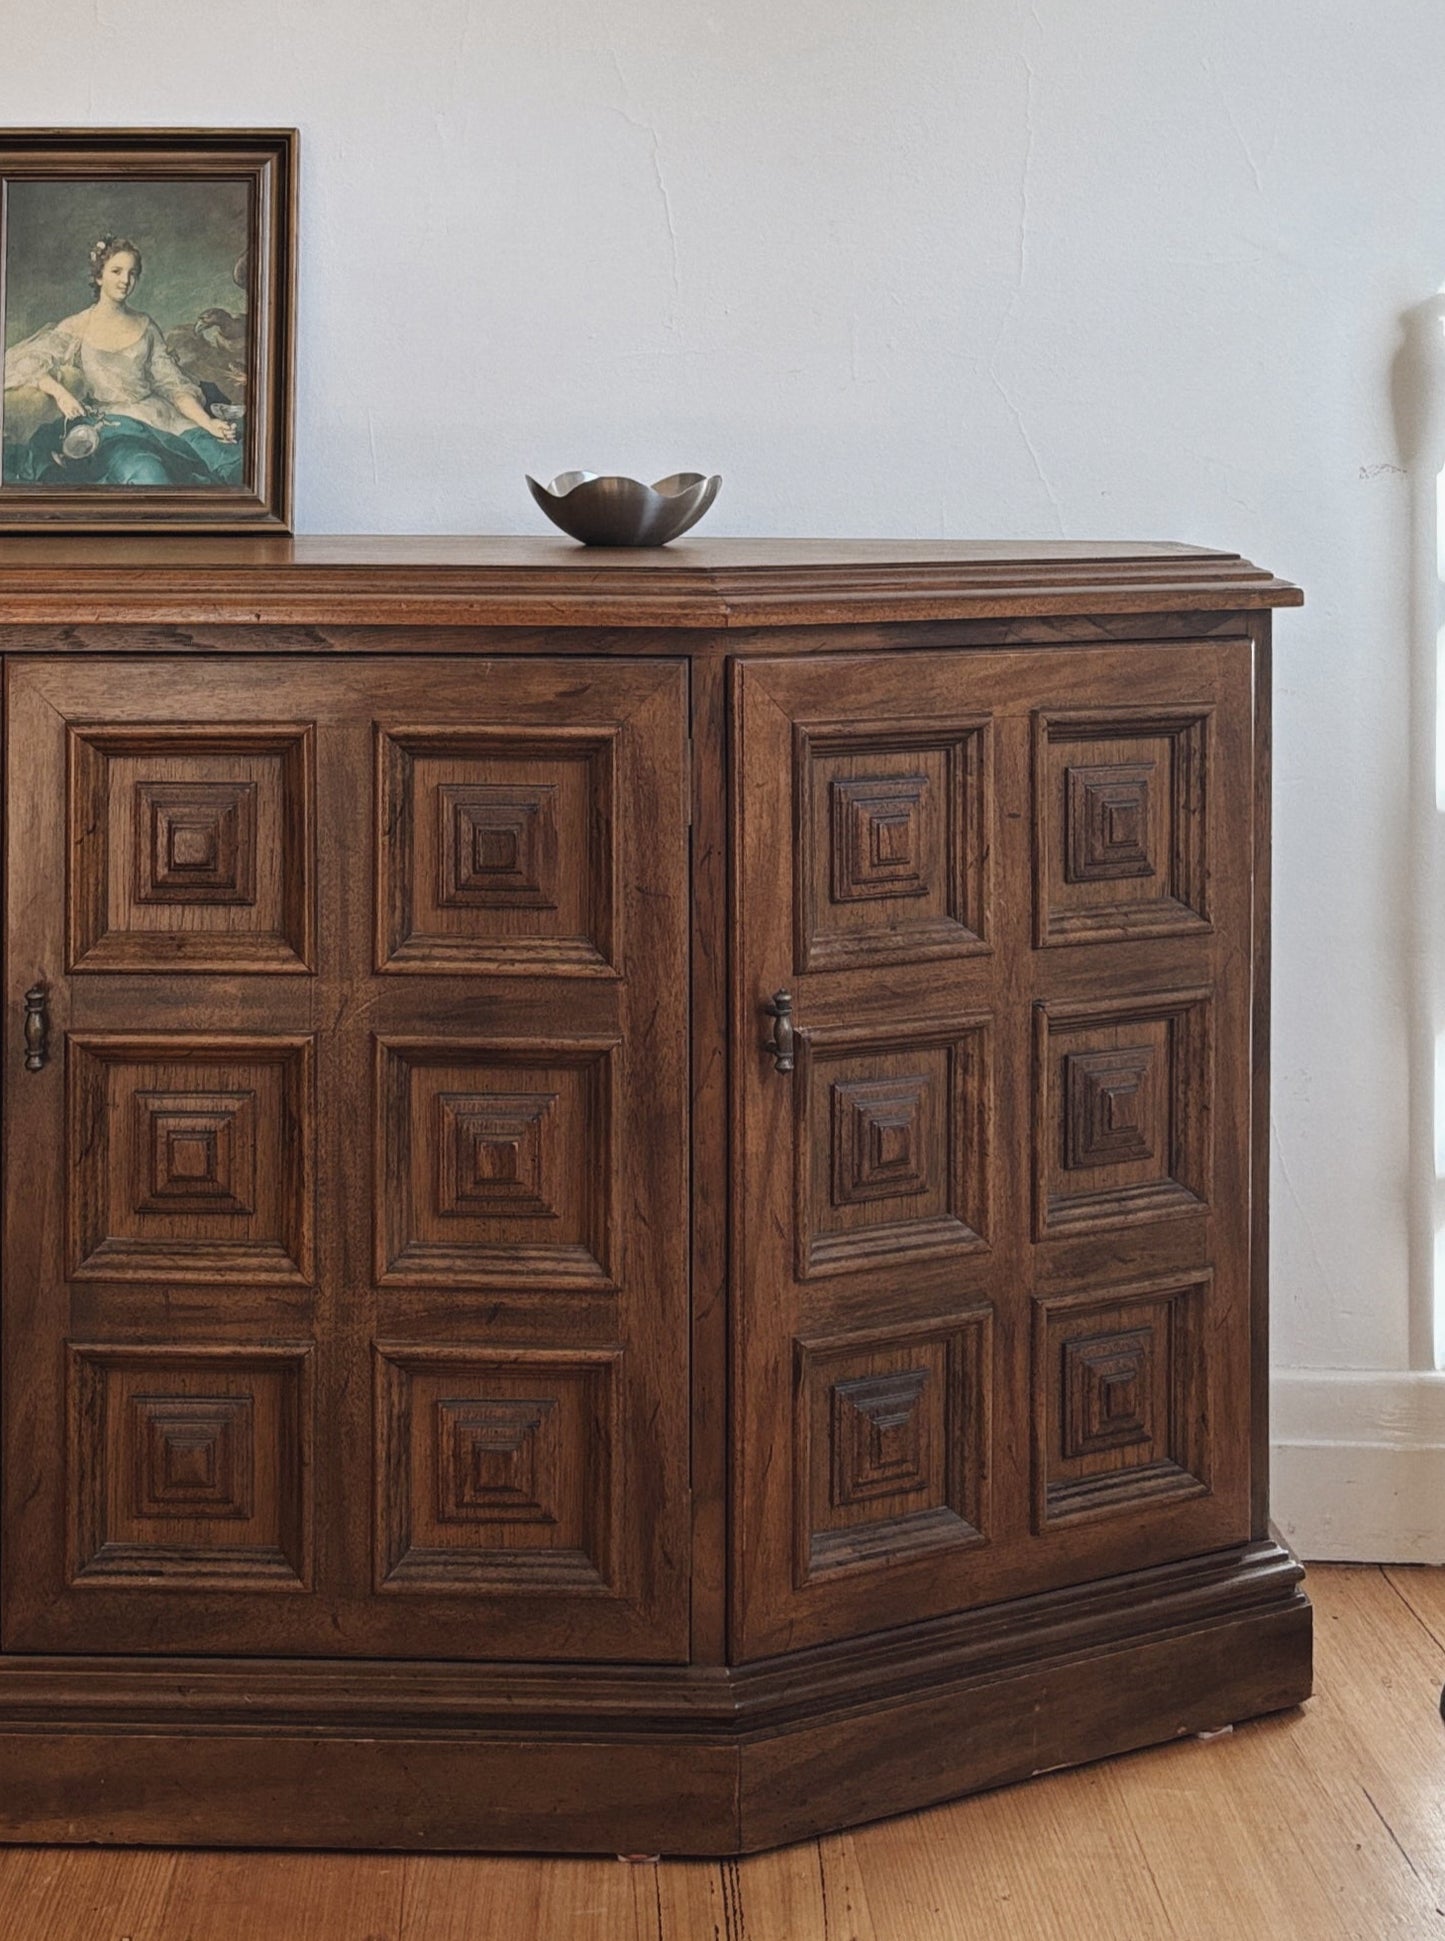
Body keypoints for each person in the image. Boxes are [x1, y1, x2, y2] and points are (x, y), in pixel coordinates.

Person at [1, 235, 243, 487]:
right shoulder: (78, 326)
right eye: (116, 271)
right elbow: (25, 362)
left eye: (132, 273)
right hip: (114, 427)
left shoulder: (146, 325)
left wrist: (208, 423)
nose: (125, 280)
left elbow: (172, 386)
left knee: (230, 462)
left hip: (163, 418)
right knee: (149, 476)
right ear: (98, 277)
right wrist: (61, 393)